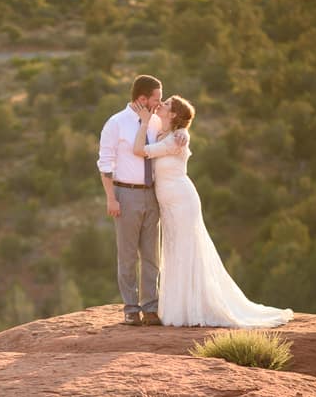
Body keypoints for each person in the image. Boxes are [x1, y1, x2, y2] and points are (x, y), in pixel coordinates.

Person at [133, 95, 293, 328]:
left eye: (166, 104)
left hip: (182, 200)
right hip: (167, 204)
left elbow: (139, 150)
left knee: (188, 250)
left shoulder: (179, 137)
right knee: (174, 250)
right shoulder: (162, 134)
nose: (162, 105)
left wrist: (145, 121)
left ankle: (195, 308)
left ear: (174, 114)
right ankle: (179, 307)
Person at [97, 75, 187, 326]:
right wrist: (111, 199)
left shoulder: (157, 121)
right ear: (142, 99)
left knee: (152, 255)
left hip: (154, 193)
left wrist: (182, 136)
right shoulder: (116, 123)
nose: (159, 103)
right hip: (125, 194)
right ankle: (130, 308)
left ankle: (150, 307)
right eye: (157, 98)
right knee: (127, 255)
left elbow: (172, 136)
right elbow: (105, 163)